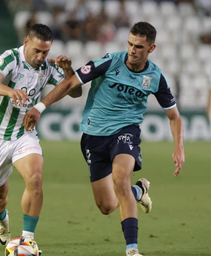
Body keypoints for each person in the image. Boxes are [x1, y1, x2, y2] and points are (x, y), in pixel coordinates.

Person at [23, 21, 185, 256]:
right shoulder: (109, 62)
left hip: (126, 131)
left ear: (151, 48)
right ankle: (138, 191)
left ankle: (132, 250)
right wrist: (40, 107)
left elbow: (174, 116)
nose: (132, 50)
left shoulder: (155, 77)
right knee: (107, 205)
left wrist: (178, 147)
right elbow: (71, 82)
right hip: (94, 135)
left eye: (139, 46)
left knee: (120, 179)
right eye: (130, 44)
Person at [0, 23, 82, 250]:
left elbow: (75, 91)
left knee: (35, 178)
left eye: (45, 52)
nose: (41, 56)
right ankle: (1, 219)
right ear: (26, 42)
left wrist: (67, 71)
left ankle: (27, 240)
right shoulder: (10, 58)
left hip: (24, 135)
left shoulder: (47, 66)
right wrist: (10, 91)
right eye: (37, 51)